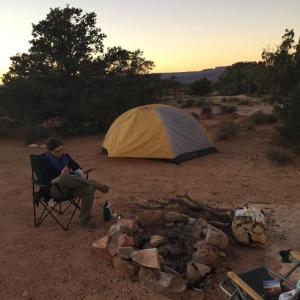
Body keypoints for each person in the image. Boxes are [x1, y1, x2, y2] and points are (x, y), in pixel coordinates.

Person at [41, 137, 109, 229]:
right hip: (55, 190)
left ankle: (84, 219)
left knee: (88, 189)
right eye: (56, 152)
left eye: (61, 150)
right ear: (49, 151)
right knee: (64, 178)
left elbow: (77, 168)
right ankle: (94, 183)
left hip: (71, 187)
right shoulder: (45, 161)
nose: (60, 153)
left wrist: (80, 175)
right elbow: (47, 181)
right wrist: (61, 175)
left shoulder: (66, 157)